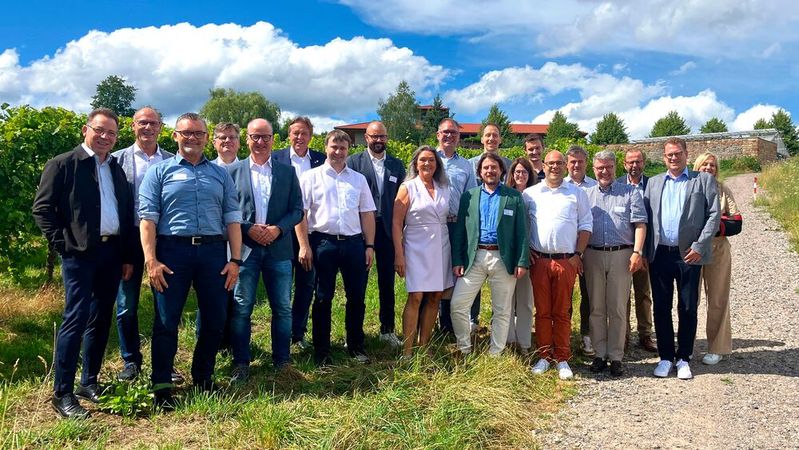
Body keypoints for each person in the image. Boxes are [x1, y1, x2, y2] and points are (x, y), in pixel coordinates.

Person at [33, 108, 135, 419]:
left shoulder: (115, 168)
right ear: (85, 129)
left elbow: (125, 212)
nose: (105, 137)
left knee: (101, 318)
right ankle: (62, 393)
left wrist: (127, 255)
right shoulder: (63, 164)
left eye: (112, 133)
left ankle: (88, 381)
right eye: (99, 130)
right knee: (75, 319)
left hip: (111, 253)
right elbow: (42, 209)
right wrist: (64, 245)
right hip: (80, 255)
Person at [138, 112, 242, 408]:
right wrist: (151, 260)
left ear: (206, 138)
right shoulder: (159, 172)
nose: (192, 138)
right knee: (166, 320)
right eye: (186, 132)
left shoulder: (220, 174)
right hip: (172, 253)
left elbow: (232, 218)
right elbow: (148, 219)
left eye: (198, 133)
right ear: (175, 136)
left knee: (215, 319)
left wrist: (235, 260)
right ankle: (162, 385)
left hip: (213, 252)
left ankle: (203, 377)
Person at [227, 118, 303, 382]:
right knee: (241, 308)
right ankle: (241, 362)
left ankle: (282, 361)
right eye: (255, 137)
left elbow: (297, 210)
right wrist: (247, 228)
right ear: (247, 139)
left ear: (273, 139)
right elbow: (226, 210)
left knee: (282, 307)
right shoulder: (232, 172)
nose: (260, 142)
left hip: (278, 249)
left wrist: (278, 229)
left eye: (266, 137)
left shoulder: (287, 172)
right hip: (245, 250)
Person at [643, 137, 720, 380]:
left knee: (687, 307)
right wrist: (644, 252)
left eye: (678, 153)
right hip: (660, 254)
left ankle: (684, 357)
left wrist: (699, 246)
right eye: (669, 155)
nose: (674, 158)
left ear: (687, 154)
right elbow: (646, 220)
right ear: (664, 158)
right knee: (661, 307)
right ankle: (666, 357)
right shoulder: (654, 183)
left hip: (689, 254)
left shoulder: (703, 180)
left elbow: (714, 215)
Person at [111, 107, 178, 383]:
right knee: (126, 304)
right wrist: (123, 251)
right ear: (133, 126)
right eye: (142, 123)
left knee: (167, 305)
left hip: (165, 241)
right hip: (129, 240)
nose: (148, 127)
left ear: (161, 127)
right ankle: (131, 360)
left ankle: (165, 363)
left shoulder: (174, 160)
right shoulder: (116, 160)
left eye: (153, 123)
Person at [300, 130, 376, 365]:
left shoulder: (358, 179)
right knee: (323, 297)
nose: (338, 152)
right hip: (323, 243)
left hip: (354, 244)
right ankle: (322, 351)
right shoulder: (310, 177)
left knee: (357, 297)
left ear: (348, 150)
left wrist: (369, 245)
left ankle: (355, 346)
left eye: (343, 148)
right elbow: (301, 214)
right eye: (334, 147)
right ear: (326, 147)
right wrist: (304, 245)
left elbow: (367, 214)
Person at [450, 153, 529, 356]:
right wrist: (457, 259)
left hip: (503, 259)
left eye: (494, 167)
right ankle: (464, 348)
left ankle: (496, 353)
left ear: (501, 171)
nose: (490, 171)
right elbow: (460, 231)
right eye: (485, 167)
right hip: (474, 257)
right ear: (479, 172)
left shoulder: (513, 197)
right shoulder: (469, 197)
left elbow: (522, 232)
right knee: (458, 305)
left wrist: (521, 261)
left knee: (502, 310)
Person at [524, 150, 592, 380]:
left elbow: (586, 225)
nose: (554, 167)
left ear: (565, 166)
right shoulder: (530, 194)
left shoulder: (576, 193)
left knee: (562, 312)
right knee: (542, 311)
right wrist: (527, 250)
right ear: (543, 166)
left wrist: (578, 255)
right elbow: (522, 226)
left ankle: (562, 358)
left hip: (566, 260)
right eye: (550, 163)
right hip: (540, 261)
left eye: (559, 163)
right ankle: (544, 356)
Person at [584, 151, 647, 377]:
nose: (605, 171)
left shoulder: (630, 193)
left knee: (618, 307)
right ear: (594, 169)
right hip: (592, 255)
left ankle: (616, 356)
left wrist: (637, 252)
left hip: (622, 255)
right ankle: (600, 354)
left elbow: (640, 224)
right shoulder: (586, 195)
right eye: (600, 167)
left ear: (615, 167)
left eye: (609, 167)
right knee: (596, 307)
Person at [347, 121, 406, 347]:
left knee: (387, 282)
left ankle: (387, 329)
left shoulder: (396, 165)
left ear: (387, 138)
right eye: (374, 136)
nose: (378, 140)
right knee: (357, 282)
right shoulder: (354, 162)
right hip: (361, 229)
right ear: (366, 137)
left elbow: (402, 198)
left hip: (388, 230)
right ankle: (354, 332)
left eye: (382, 136)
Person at [393, 146, 453, 356]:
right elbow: (396, 222)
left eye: (431, 160)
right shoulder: (408, 187)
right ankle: (407, 351)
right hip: (415, 246)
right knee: (416, 296)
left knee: (435, 295)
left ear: (437, 165)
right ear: (415, 164)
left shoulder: (444, 187)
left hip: (441, 245)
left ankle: (424, 346)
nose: (427, 163)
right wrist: (399, 253)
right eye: (423, 160)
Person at [273, 117, 326, 350]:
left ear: (311, 136)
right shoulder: (275, 159)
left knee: (306, 285)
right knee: (282, 286)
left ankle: (298, 333)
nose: (299, 137)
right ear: (289, 135)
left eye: (304, 133)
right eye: (295, 133)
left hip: (310, 233)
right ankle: (281, 334)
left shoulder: (321, 160)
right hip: (282, 232)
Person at [693, 151, 740, 365]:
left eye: (712, 165)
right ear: (697, 167)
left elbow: (736, 222)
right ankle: (686, 345)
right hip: (692, 249)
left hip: (718, 248)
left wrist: (713, 225)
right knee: (689, 298)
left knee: (718, 298)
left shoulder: (723, 190)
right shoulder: (688, 187)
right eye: (705, 164)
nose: (708, 168)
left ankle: (717, 347)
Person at [435, 118, 478, 334]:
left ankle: (450, 322)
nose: (449, 136)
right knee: (435, 271)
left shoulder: (466, 166)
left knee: (456, 271)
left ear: (459, 137)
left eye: (453, 132)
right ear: (438, 135)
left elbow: (471, 198)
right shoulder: (429, 159)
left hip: (456, 225)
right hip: (433, 226)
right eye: (446, 132)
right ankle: (431, 321)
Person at [615, 149, 657, 352]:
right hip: (621, 249)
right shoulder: (616, 186)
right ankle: (623, 335)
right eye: (631, 162)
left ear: (644, 163)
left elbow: (653, 221)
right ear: (624, 164)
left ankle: (645, 334)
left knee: (643, 293)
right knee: (622, 295)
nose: (634, 165)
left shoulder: (653, 186)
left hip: (644, 250)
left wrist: (645, 252)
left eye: (638, 161)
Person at [564, 145, 598, 357]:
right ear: (566, 164)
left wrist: (583, 251)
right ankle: (564, 335)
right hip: (566, 251)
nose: (576, 165)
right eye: (572, 162)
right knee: (565, 295)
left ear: (587, 163)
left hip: (589, 250)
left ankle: (587, 335)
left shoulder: (595, 186)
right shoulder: (559, 185)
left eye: (580, 161)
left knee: (589, 295)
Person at [505, 158, 537, 355]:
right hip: (508, 255)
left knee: (525, 301)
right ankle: (508, 340)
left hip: (529, 255)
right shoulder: (505, 195)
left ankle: (524, 343)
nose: (520, 175)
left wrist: (530, 249)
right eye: (517, 172)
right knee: (506, 301)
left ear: (529, 175)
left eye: (524, 172)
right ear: (512, 174)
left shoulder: (536, 195)